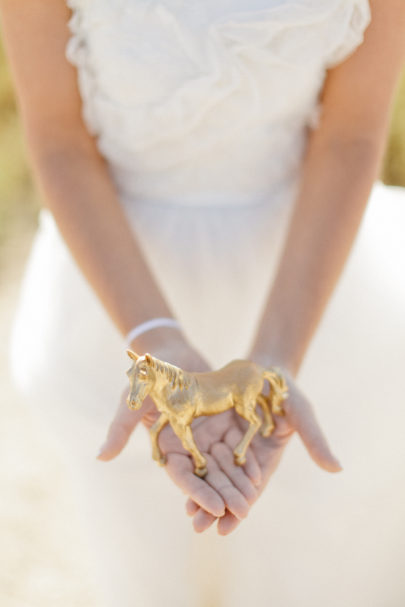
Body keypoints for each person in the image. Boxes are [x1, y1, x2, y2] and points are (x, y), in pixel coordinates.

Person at [1, 0, 405, 605]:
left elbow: (350, 137)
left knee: (316, 561)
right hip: (115, 276)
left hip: (309, 273)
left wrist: (278, 356)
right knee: (144, 570)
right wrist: (153, 333)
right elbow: (59, 140)